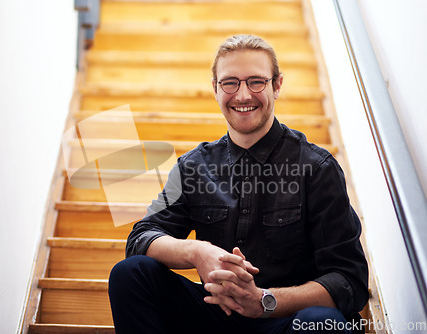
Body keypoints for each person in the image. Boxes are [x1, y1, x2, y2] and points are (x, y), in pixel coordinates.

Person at [108, 34, 369, 334]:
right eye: (230, 82)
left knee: (323, 324)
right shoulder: (193, 166)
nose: (243, 95)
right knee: (130, 274)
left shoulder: (317, 168)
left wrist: (263, 301)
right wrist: (197, 251)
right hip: (214, 316)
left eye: (256, 81)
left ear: (277, 85)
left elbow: (350, 281)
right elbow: (141, 237)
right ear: (215, 89)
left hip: (283, 320)